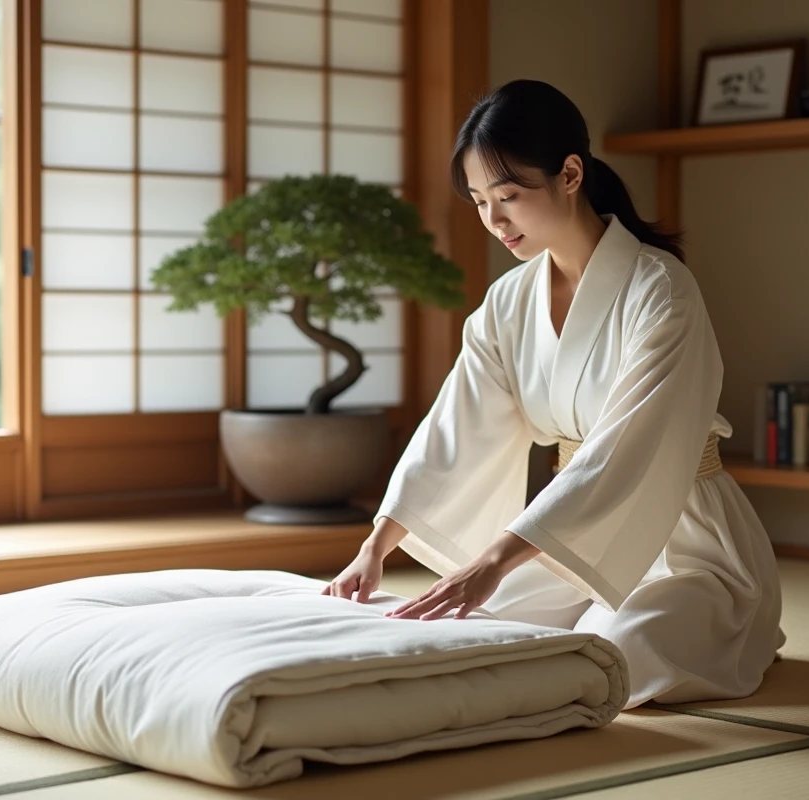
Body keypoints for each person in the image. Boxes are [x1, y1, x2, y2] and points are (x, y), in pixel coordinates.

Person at [322, 78, 785, 710]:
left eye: (509, 195)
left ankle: (730, 623)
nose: (494, 220)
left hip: (686, 544)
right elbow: (456, 427)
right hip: (568, 528)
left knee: (614, 647)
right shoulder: (509, 301)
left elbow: (621, 454)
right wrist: (376, 545)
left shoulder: (661, 291)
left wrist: (495, 559)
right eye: (480, 201)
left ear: (571, 174)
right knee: (482, 628)